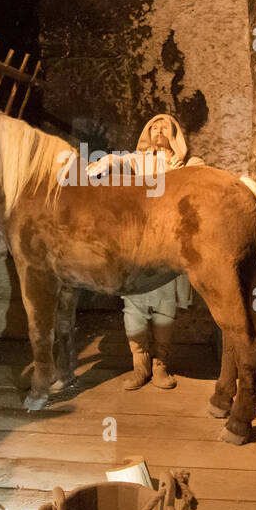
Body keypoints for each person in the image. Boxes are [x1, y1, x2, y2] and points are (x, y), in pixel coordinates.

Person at [90, 114, 204, 391]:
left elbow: (203, 177)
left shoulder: (188, 164)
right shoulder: (139, 160)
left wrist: (187, 170)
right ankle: (139, 366)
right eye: (153, 125)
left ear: (176, 133)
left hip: (168, 243)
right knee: (134, 305)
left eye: (164, 125)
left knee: (165, 308)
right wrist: (103, 162)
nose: (158, 128)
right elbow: (119, 160)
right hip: (140, 243)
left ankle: (160, 365)